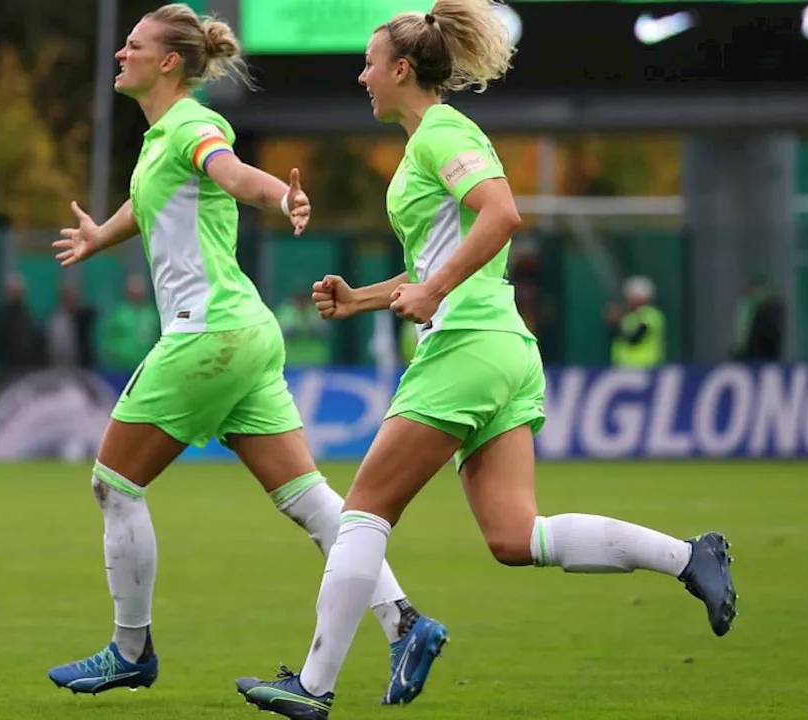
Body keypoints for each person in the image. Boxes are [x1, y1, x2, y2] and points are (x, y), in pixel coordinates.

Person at [236, 3, 737, 717]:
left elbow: (502, 215)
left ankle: (312, 687)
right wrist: (362, 301)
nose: (361, 74)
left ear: (402, 69)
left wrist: (433, 289)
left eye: (370, 62)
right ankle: (689, 558)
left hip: (467, 345)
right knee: (515, 537)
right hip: (499, 346)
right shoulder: (426, 144)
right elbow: (443, 261)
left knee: (365, 510)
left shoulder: (444, 130)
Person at [47, 3, 445, 706]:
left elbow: (232, 174)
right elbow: (150, 206)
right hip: (247, 336)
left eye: (132, 46)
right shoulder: (161, 139)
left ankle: (131, 651)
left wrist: (278, 196)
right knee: (311, 499)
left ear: (168, 62)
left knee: (114, 485)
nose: (120, 55)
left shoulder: (194, 125)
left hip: (208, 336)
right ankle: (405, 623)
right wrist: (97, 238)